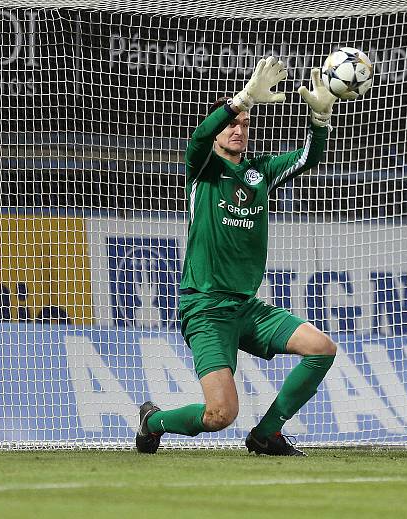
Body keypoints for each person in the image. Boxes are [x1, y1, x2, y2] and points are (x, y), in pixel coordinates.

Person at [134, 57, 338, 456]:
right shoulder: (202, 170)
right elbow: (197, 137)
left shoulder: (260, 172)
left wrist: (319, 116)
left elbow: (307, 158)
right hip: (206, 308)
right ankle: (152, 421)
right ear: (218, 132)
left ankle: (267, 434)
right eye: (232, 124)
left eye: (245, 124)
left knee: (322, 348)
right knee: (219, 415)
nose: (238, 129)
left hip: (246, 307)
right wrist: (241, 99)